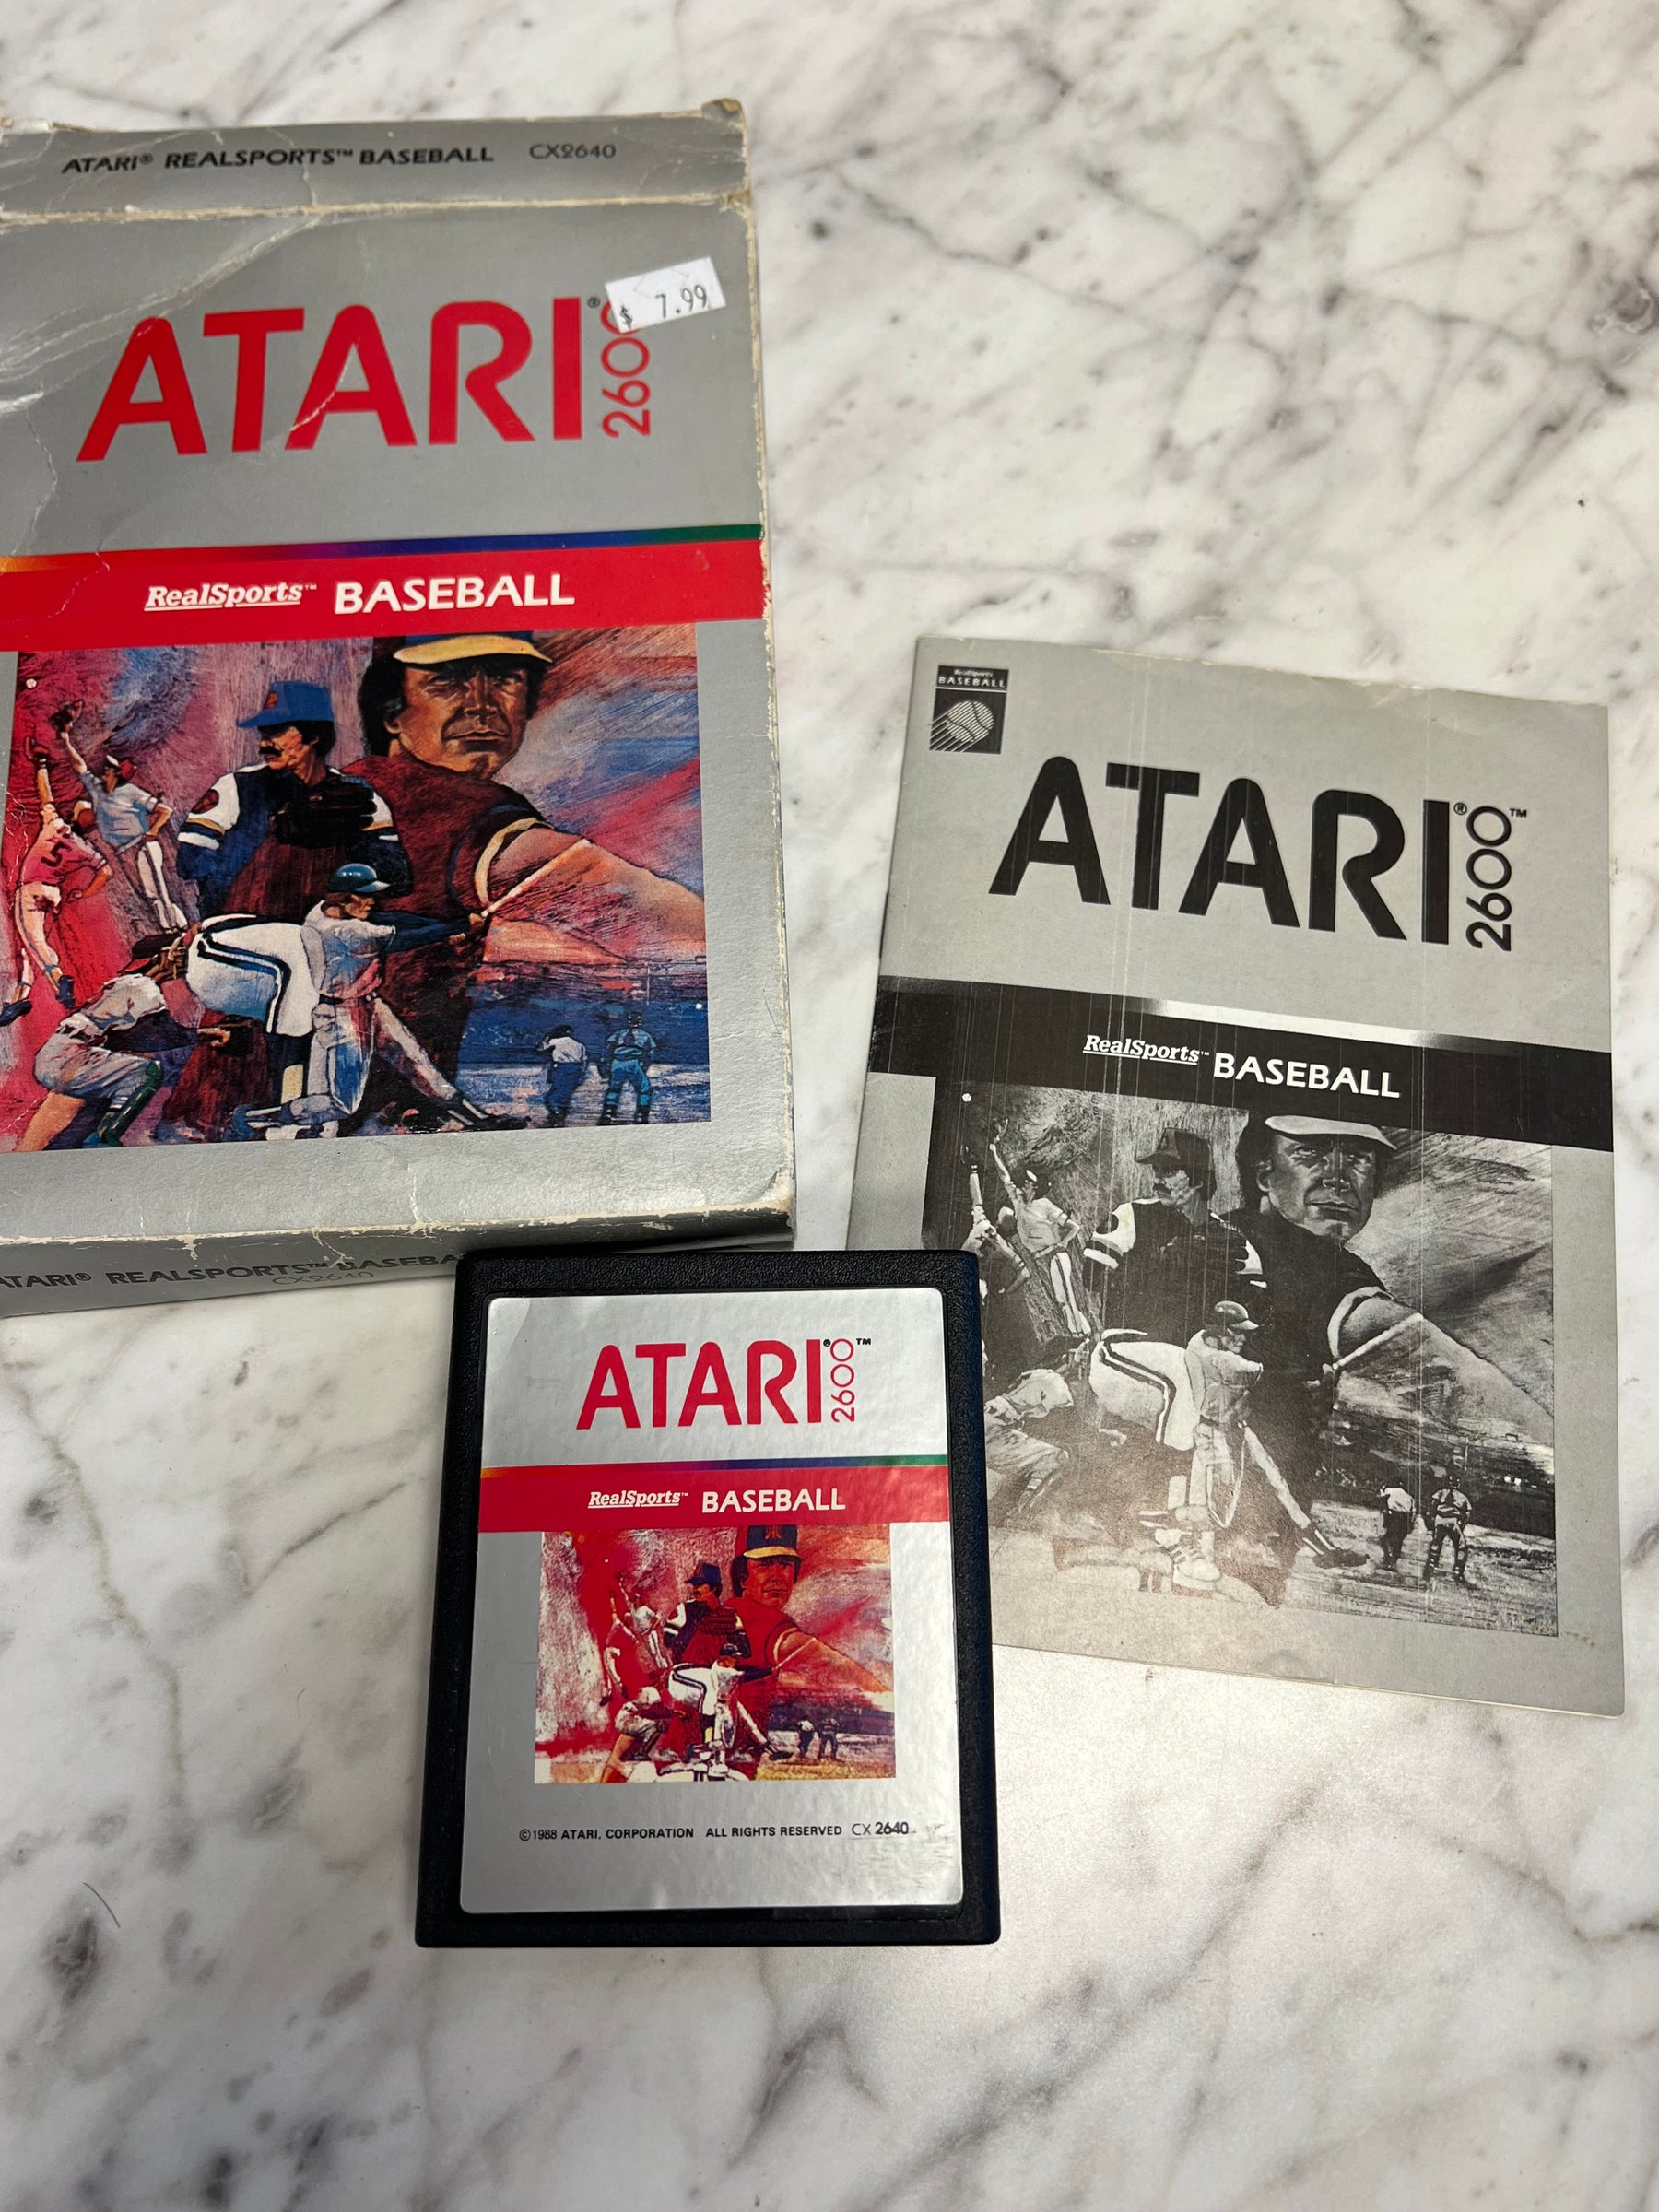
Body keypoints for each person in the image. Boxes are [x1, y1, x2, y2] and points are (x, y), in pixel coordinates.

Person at [351, 634, 704, 1104]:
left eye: (504, 679)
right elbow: (637, 912)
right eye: (447, 683)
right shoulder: (452, 809)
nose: (481, 706)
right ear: (392, 714)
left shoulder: (347, 788)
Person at [1227, 1113, 1547, 1594]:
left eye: (1358, 1157)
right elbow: (1437, 1366)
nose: (1338, 1177)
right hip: (1234, 1520)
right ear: (1263, 1173)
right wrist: (1555, 1450)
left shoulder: (1228, 1235)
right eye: (1310, 1153)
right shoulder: (1314, 1264)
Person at [166, 680, 407, 1135]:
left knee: (338, 1018)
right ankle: (278, 1112)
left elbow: (396, 874)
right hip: (241, 942)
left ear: (312, 735)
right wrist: (274, 834)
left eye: (278, 730)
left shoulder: (358, 797)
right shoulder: (239, 788)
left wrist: (344, 842)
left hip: (317, 944)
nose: (265, 741)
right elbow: (191, 860)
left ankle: (305, 1118)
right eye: (264, 731)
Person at [226, 863, 493, 1139]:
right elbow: (404, 936)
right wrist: (457, 927)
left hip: (370, 1005)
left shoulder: (321, 911)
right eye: (364, 896)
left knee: (415, 1061)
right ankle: (256, 1118)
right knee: (343, 1104)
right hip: (342, 1017)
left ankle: (479, 1119)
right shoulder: (343, 932)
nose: (372, 901)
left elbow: (393, 919)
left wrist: (454, 926)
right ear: (342, 899)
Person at [17, 932, 225, 1150]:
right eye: (178, 952)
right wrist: (211, 1033)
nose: (182, 959)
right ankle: (106, 1135)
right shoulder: (144, 989)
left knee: (91, 1111)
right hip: (70, 1057)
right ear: (160, 957)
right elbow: (166, 1035)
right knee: (148, 1072)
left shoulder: (126, 983)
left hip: (65, 1053)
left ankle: (81, 1143)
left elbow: (126, 1036)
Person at [719, 1525, 890, 1779]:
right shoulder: (757, 1618)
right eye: (764, 1566)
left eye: (785, 1565)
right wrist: (889, 1700)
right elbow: (827, 1664)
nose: (777, 1577)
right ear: (743, 1577)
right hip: (712, 1766)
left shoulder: (731, 1612)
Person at [1082, 1126, 1263, 1349]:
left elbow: (1259, 1308)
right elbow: (1092, 1276)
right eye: (1156, 1170)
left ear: (1198, 1180)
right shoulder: (1132, 1215)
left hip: (1193, 1356)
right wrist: (1161, 1262)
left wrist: (1225, 1288)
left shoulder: (1230, 1239)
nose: (1157, 1179)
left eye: (1168, 1171)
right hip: (1129, 1348)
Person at [53, 699, 187, 930]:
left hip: (142, 846)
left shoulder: (131, 792)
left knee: (160, 891)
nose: (104, 773)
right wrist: (65, 740)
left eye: (109, 770)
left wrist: (154, 830)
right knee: (148, 894)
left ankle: (179, 929)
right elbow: (80, 766)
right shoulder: (98, 790)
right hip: (125, 851)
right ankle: (169, 930)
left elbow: (165, 811)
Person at [2, 751, 111, 1026]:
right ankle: (19, 1000)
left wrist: (41, 766)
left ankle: (59, 980)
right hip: (53, 893)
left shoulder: (56, 824)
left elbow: (46, 795)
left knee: (35, 943)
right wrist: (85, 893)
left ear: (74, 816)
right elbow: (106, 871)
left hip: (31, 891)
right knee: (29, 947)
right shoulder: (85, 848)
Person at [989, 1130, 1088, 1336]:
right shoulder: (1019, 1202)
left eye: (1028, 1182)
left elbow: (1075, 1227)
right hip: (1041, 1260)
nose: (1023, 1184)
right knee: (1059, 1301)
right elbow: (1005, 1176)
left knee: (1068, 1297)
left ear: (1035, 1187)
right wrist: (993, 1151)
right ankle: (1076, 1335)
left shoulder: (1045, 1205)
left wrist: (1063, 1243)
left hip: (1054, 1256)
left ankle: (1081, 1335)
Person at [599, 1011, 656, 1125]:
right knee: (644, 1088)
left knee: (614, 1087)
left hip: (617, 1062)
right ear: (640, 1022)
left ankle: (608, 1113)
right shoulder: (645, 1035)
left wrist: (608, 1062)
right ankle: (641, 1114)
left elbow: (608, 1048)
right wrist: (644, 1065)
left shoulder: (619, 1033)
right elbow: (650, 1052)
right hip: (633, 1061)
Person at [1423, 1471, 1475, 1585]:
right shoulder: (1462, 1497)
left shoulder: (1440, 1492)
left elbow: (1432, 1505)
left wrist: (1431, 1518)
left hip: (1440, 1519)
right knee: (1461, 1546)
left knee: (1436, 1542)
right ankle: (1458, 1571)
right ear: (1458, 1484)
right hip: (1453, 1520)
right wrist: (1462, 1525)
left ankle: (1431, 1564)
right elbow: (1467, 1514)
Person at [539, 1023, 588, 1125]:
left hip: (562, 1067)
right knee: (565, 1093)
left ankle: (556, 1116)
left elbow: (540, 1049)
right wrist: (582, 1073)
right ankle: (560, 1117)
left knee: (553, 1096)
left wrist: (547, 1038)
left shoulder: (556, 1041)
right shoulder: (580, 1044)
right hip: (576, 1068)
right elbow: (584, 1061)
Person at [1378, 1480, 1417, 1569]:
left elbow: (1381, 1496)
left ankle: (1388, 1559)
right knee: (1398, 1541)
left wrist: (1382, 1488)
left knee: (1385, 1539)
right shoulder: (1410, 1496)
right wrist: (1411, 1524)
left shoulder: (1390, 1490)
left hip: (1394, 1516)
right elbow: (1414, 1512)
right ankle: (1394, 1562)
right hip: (1406, 1517)